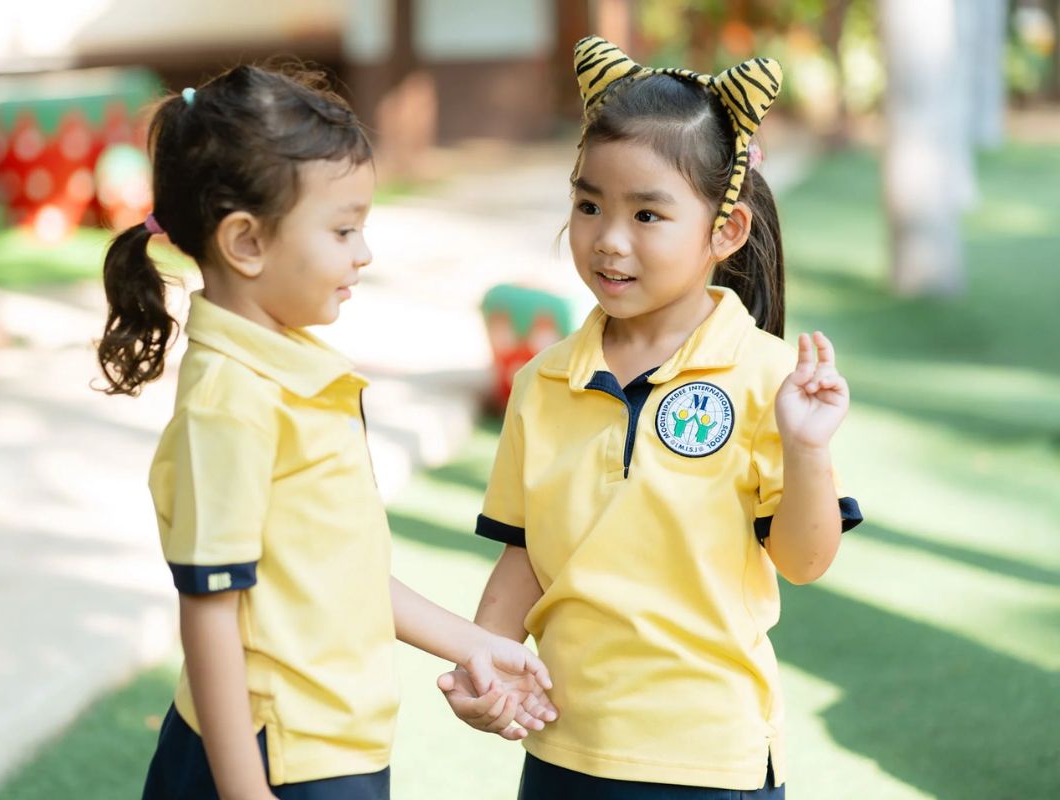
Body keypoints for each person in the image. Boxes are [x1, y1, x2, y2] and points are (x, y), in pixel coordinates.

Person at [95, 63, 556, 800]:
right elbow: (209, 616)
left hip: (332, 743)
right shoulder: (230, 404)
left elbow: (336, 572)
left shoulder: (296, 367)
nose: (363, 253)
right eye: (343, 229)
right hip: (275, 760)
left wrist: (475, 643)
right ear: (246, 242)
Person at [438, 36, 863, 799]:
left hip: (708, 760)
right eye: (588, 203)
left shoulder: (770, 377)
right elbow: (528, 555)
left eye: (648, 214)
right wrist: (485, 658)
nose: (608, 239)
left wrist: (806, 451)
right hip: (565, 748)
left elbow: (804, 562)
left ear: (723, 232)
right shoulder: (543, 381)